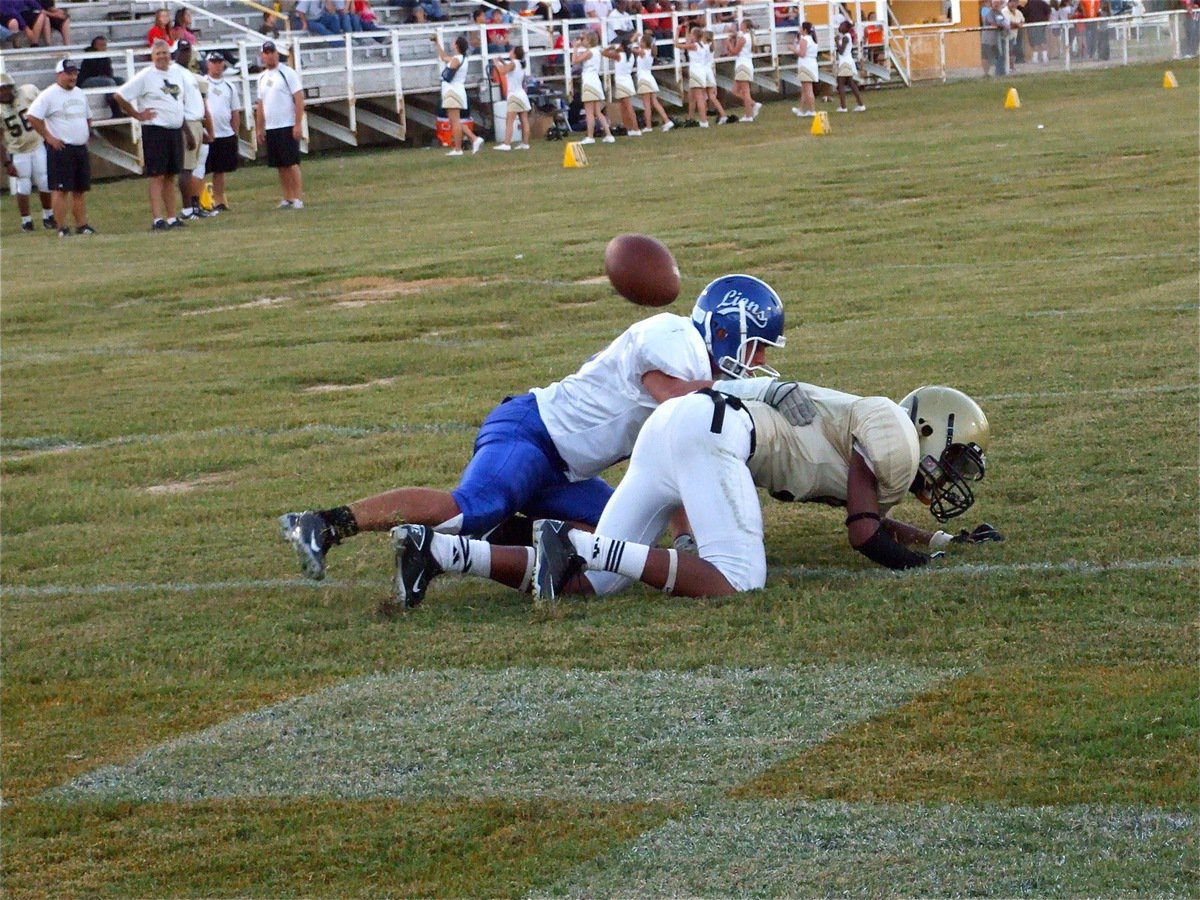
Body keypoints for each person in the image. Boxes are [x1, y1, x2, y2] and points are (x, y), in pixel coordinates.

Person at [282, 273, 811, 589]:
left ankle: (436, 551)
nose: (758, 360)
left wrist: (688, 540)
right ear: (726, 329)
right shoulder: (675, 337)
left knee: (612, 545)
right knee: (474, 503)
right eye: (756, 346)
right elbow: (665, 390)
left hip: (566, 467)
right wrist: (748, 395)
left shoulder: (698, 380)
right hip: (532, 432)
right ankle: (324, 524)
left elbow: (674, 472)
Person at [394, 383, 1001, 605]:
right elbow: (864, 533)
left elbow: (869, 514)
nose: (950, 479)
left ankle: (441, 553)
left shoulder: (878, 448)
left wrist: (943, 538)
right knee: (738, 577)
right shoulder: (892, 434)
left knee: (592, 585)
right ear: (925, 431)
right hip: (712, 432)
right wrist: (925, 564)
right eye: (953, 461)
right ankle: (585, 546)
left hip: (679, 426)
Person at [113, 39, 188, 230]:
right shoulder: (146, 75)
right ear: (152, 56)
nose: (162, 57)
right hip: (156, 129)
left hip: (174, 130)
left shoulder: (176, 73)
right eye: (158, 54)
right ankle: (158, 218)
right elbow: (120, 95)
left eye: (165, 53)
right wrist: (137, 115)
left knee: (171, 175)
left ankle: (172, 217)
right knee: (157, 175)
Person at [26, 58, 93, 236]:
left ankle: (82, 224)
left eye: (74, 73)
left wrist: (87, 133)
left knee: (80, 189)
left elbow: (87, 116)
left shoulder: (79, 93)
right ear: (59, 74)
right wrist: (49, 137)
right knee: (60, 189)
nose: (73, 77)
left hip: (79, 147)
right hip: (62, 148)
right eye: (69, 74)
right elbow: (33, 116)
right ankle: (61, 227)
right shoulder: (49, 95)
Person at [0, 72, 56, 231]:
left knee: (45, 180)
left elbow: (45, 108)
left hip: (38, 144)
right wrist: (6, 162)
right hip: (18, 151)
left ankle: (48, 216)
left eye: (6, 89)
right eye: (0, 90)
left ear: (13, 88)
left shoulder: (28, 92)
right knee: (23, 185)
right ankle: (26, 221)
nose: (4, 93)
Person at [255, 40, 305, 207]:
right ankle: (287, 196)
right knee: (280, 165)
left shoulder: (287, 73)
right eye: (266, 53)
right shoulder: (261, 77)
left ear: (277, 53)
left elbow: (298, 98)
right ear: (262, 56)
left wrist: (297, 124)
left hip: (287, 124)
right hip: (272, 126)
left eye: (272, 52)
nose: (270, 56)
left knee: (291, 163)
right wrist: (259, 127)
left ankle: (297, 197)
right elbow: (261, 104)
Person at [172, 41, 215, 220]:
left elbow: (196, 102)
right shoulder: (175, 73)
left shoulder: (189, 74)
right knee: (186, 169)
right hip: (187, 122)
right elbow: (176, 104)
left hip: (196, 121)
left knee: (194, 168)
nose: (186, 54)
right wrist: (188, 131)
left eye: (188, 51)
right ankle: (188, 209)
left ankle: (195, 206)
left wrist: (202, 127)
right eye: (182, 51)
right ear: (176, 53)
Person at [432, 34, 483, 156]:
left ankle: (459, 148)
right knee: (454, 120)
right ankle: (473, 139)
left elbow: (449, 71)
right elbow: (444, 57)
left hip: (452, 91)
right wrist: (437, 44)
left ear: (457, 46)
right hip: (455, 91)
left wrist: (444, 75)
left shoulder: (457, 59)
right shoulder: (461, 58)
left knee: (454, 121)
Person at [202, 51, 241, 211]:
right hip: (206, 134)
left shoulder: (230, 86)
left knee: (220, 171)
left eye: (220, 62)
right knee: (201, 171)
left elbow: (235, 112)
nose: (217, 65)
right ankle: (200, 202)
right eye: (214, 62)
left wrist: (235, 133)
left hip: (225, 133)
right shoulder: (201, 84)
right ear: (208, 64)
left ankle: (219, 201)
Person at [571, 30, 615, 144]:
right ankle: (609, 134)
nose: (583, 41)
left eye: (585, 39)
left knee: (589, 111)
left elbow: (574, 60)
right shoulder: (596, 51)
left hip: (589, 81)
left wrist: (575, 48)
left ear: (589, 41)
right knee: (598, 111)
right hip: (594, 80)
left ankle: (590, 136)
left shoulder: (590, 52)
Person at [492, 45, 531, 150]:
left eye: (511, 51)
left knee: (509, 120)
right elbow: (509, 69)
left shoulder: (513, 63)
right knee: (524, 119)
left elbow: (502, 71)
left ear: (514, 54)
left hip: (514, 95)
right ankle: (525, 143)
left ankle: (507, 143)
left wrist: (496, 62)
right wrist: (502, 62)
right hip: (521, 94)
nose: (509, 52)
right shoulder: (519, 64)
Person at [634, 31, 673, 131]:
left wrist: (634, 38)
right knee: (654, 102)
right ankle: (667, 120)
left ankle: (648, 126)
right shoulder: (649, 52)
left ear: (644, 43)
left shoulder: (643, 52)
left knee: (646, 104)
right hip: (649, 77)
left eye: (641, 41)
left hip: (644, 78)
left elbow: (631, 48)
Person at [603, 36, 641, 136]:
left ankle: (636, 128)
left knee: (628, 107)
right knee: (623, 107)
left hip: (622, 82)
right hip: (627, 80)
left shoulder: (619, 55)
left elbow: (604, 53)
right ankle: (629, 128)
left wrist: (611, 48)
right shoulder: (631, 55)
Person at [727, 19, 760, 122]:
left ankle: (748, 115)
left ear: (745, 26)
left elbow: (734, 51)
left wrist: (728, 43)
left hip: (743, 65)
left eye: (741, 25)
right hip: (744, 64)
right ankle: (753, 104)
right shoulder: (748, 36)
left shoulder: (744, 38)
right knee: (735, 90)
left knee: (745, 92)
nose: (740, 26)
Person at [833, 19, 865, 111]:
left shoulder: (845, 37)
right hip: (848, 62)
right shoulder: (846, 37)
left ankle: (843, 106)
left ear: (846, 28)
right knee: (851, 83)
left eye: (841, 25)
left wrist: (836, 42)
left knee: (841, 84)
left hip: (845, 62)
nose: (839, 27)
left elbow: (842, 51)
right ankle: (860, 104)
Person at [790, 21, 819, 117]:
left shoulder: (805, 39)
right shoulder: (812, 39)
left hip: (806, 64)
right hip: (811, 64)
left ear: (805, 30)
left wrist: (793, 49)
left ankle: (812, 110)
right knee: (804, 89)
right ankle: (801, 109)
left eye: (801, 28)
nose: (799, 30)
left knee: (808, 88)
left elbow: (802, 53)